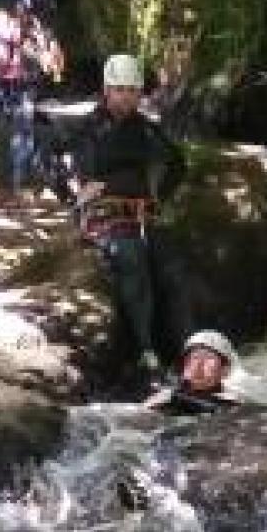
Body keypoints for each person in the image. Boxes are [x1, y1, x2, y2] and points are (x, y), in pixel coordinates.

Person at [71, 53, 187, 378]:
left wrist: (158, 196)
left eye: (132, 90)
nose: (126, 96)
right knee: (131, 257)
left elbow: (177, 165)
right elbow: (67, 169)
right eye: (119, 89)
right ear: (107, 90)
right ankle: (144, 347)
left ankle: (183, 349)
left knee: (170, 263)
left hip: (139, 213)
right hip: (101, 215)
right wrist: (77, 197)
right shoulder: (88, 130)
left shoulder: (147, 131)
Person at [116, 330, 240, 512]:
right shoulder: (165, 398)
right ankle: (145, 492)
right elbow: (134, 423)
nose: (198, 365)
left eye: (208, 359)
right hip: (167, 448)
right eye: (193, 358)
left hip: (206, 454)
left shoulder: (232, 404)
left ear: (225, 370)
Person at [0, 2, 65, 203]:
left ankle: (22, 184)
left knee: (24, 126)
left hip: (23, 82)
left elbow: (55, 61)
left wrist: (50, 58)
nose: (17, 20)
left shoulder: (37, 27)